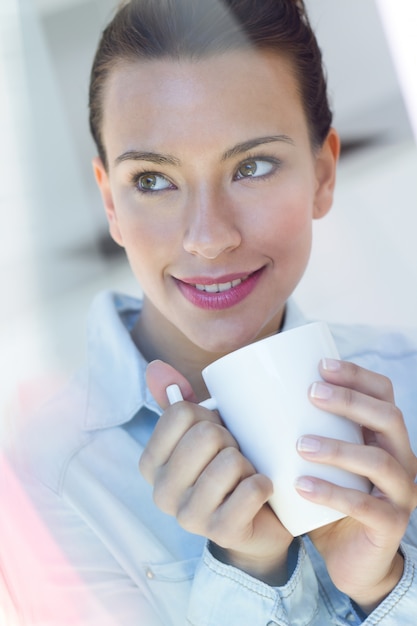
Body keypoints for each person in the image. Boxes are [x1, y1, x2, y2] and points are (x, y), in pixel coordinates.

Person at [2, 0, 417, 624]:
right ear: (110, 203)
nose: (208, 237)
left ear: (323, 173)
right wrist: (246, 574)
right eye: (152, 180)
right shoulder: (38, 484)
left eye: (251, 167)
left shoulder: (410, 379)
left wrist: (385, 585)